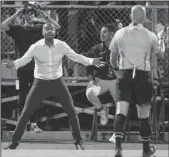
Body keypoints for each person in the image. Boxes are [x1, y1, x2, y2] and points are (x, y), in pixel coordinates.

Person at [3, 23, 103, 150]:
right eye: (46, 29)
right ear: (42, 32)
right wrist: (14, 64)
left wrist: (90, 61)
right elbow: (24, 60)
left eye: (51, 29)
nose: (49, 30)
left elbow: (76, 57)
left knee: (71, 111)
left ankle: (78, 142)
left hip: (57, 82)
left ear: (55, 32)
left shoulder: (61, 45)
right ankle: (14, 143)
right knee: (26, 113)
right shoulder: (36, 46)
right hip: (40, 83)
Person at [109, 5, 165, 157]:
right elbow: (161, 55)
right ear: (144, 18)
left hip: (124, 74)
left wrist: (116, 70)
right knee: (144, 115)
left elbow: (112, 58)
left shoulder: (119, 33)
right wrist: (161, 37)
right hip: (142, 75)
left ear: (131, 16)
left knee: (121, 112)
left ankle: (118, 148)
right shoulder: (150, 34)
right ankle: (146, 149)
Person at [1, 3, 60, 132]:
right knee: (22, 96)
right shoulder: (19, 29)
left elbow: (57, 27)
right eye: (27, 13)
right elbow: (3, 25)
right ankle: (22, 123)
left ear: (35, 15)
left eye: (32, 13)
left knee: (35, 96)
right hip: (22, 68)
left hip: (36, 68)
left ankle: (33, 123)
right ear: (24, 15)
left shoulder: (39, 28)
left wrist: (46, 17)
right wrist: (16, 14)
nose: (30, 15)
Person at [85, 24, 117, 125]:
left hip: (117, 81)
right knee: (90, 93)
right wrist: (91, 80)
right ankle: (103, 110)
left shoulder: (119, 47)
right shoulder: (97, 49)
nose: (102, 34)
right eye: (101, 32)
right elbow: (88, 65)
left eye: (105, 32)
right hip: (102, 80)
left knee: (122, 104)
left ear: (112, 34)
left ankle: (118, 132)